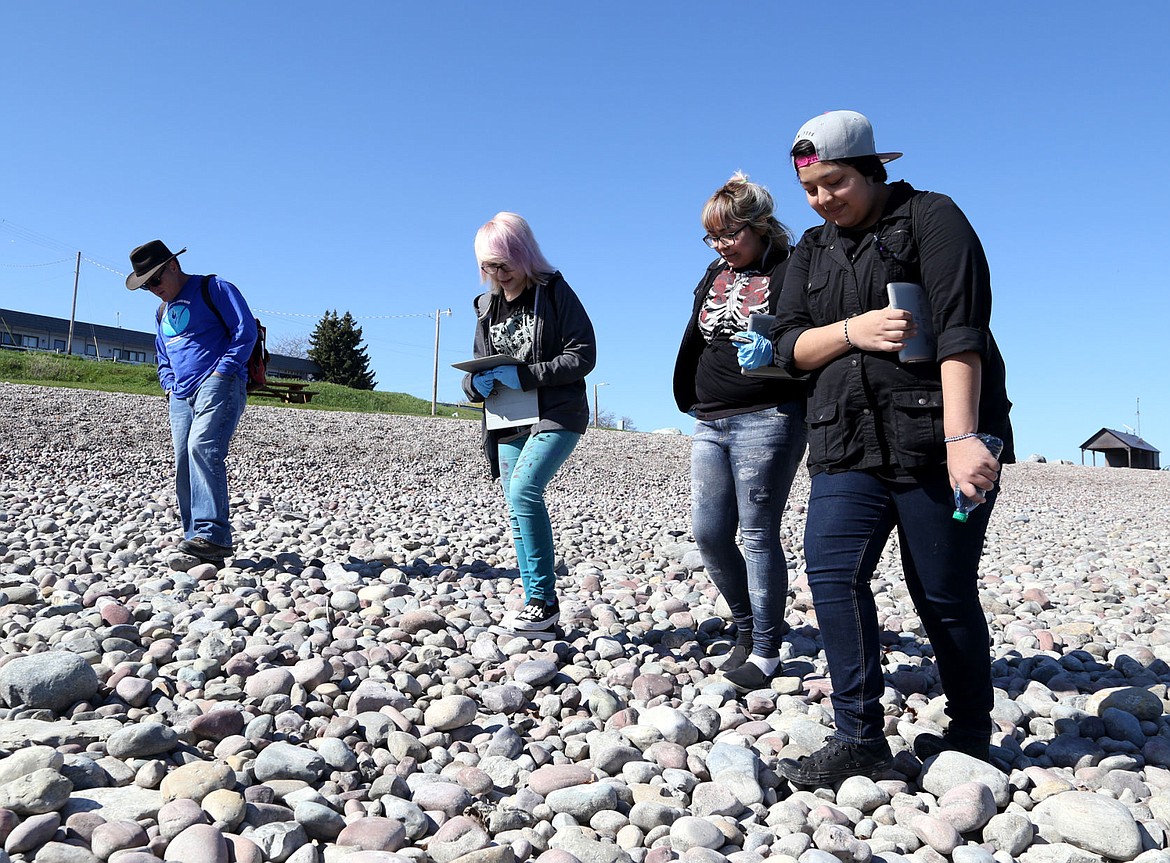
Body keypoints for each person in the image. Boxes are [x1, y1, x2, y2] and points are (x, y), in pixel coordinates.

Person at [756, 111, 1013, 785]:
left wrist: (963, 440)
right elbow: (790, 348)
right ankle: (860, 735)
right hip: (845, 444)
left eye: (834, 183)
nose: (822, 200)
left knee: (942, 590)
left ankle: (969, 730)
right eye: (810, 190)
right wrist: (855, 329)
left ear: (872, 168)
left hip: (936, 439)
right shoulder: (811, 249)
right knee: (832, 573)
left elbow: (962, 333)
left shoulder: (934, 217)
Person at [672, 173, 808, 692]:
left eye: (730, 234)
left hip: (768, 415)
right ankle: (746, 625)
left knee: (755, 533)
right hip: (710, 416)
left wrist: (777, 352)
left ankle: (769, 649)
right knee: (708, 533)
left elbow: (807, 333)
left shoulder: (794, 267)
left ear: (761, 226)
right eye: (713, 237)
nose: (721, 246)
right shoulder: (714, 271)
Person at [461, 213, 596, 635]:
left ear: (523, 255)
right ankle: (538, 604)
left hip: (557, 412)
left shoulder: (554, 291)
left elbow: (583, 355)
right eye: (488, 267)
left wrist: (524, 375)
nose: (497, 275)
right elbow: (476, 367)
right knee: (517, 509)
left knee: (524, 491)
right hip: (507, 419)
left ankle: (542, 600)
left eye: (503, 265)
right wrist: (474, 384)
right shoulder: (486, 306)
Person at [126, 240, 258, 565]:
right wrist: (169, 386)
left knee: (203, 446)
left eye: (155, 280)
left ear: (173, 265)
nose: (153, 289)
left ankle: (213, 535)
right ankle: (197, 541)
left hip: (218, 383)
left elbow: (246, 330)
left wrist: (222, 371)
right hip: (180, 395)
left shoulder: (214, 288)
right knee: (184, 459)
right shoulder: (161, 312)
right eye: (146, 286)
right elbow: (162, 354)